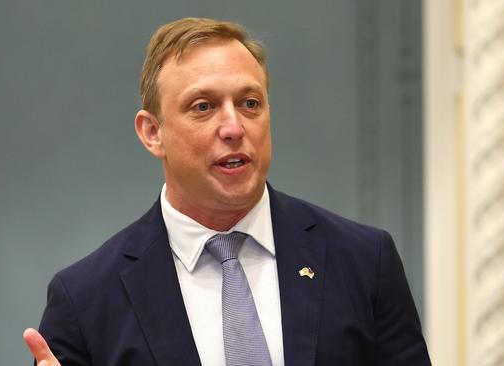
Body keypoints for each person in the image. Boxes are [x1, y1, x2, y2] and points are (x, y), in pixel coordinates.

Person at [23, 17, 431, 365]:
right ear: (153, 132)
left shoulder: (363, 262)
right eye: (203, 106)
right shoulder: (86, 300)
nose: (234, 127)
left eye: (250, 103)